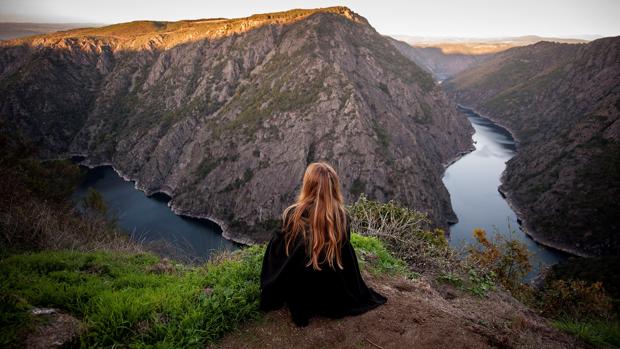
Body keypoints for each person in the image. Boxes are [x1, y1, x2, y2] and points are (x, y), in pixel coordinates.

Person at [259, 162, 386, 327]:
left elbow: (279, 252)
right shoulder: (342, 217)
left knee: (278, 242)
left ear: (308, 186)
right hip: (331, 291)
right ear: (334, 188)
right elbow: (344, 258)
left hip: (302, 289)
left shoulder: (293, 215)